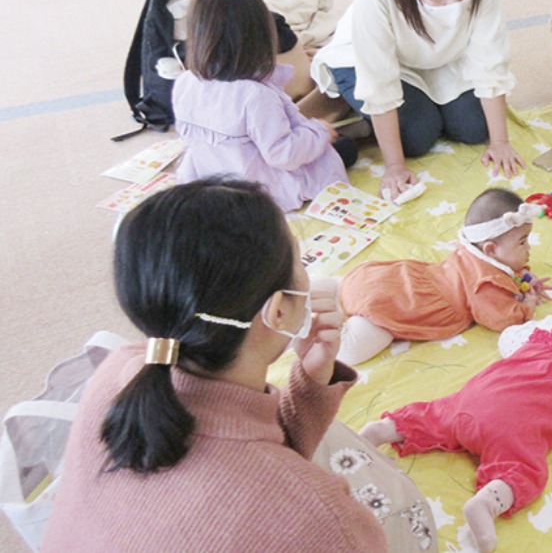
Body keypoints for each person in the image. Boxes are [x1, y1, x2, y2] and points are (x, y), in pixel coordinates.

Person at [42, 178, 436, 552]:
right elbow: (263, 484)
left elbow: (252, 463)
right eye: (301, 261)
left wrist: (311, 382)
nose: (309, 274)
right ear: (278, 312)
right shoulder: (323, 519)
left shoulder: (120, 370)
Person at [360, 276, 552, 553]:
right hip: (512, 429)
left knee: (435, 415)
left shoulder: (549, 328)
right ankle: (486, 504)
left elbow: (509, 340)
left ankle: (387, 428)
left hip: (472, 402)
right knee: (524, 470)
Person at [308, 0, 524, 199]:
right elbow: (378, 78)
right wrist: (395, 167)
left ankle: (428, 107)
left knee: (475, 128)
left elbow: (490, 55)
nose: (453, 3)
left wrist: (500, 141)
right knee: (416, 138)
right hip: (367, 60)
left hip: (440, 58)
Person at [313, 188, 552, 365]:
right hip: (400, 304)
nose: (528, 248)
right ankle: (318, 322)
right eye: (522, 242)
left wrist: (524, 277)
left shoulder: (471, 250)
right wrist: (527, 306)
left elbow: (505, 267)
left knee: (340, 284)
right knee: (349, 351)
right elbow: (502, 319)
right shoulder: (484, 285)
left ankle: (317, 290)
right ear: (490, 249)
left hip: (385, 277)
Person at [172, 0, 354, 212]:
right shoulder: (255, 95)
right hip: (256, 187)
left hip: (209, 176)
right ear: (262, 39)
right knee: (344, 149)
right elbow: (283, 154)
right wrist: (320, 132)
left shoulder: (185, 82)